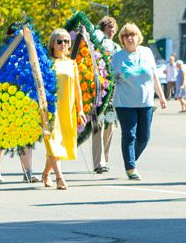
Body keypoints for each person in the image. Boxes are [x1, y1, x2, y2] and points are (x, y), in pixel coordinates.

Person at [0, 21, 39, 184]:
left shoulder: (28, 52)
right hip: (1, 98)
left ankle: (28, 172)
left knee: (25, 137)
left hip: (23, 99)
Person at [111, 23, 167, 181]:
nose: (130, 38)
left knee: (144, 137)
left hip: (146, 102)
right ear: (122, 39)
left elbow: (154, 75)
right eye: (126, 36)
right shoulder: (117, 58)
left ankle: (130, 159)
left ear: (138, 37)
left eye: (132, 35)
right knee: (129, 135)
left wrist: (161, 97)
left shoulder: (147, 52)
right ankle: (130, 167)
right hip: (124, 103)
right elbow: (111, 81)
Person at [41, 29, 84, 190]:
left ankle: (46, 173)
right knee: (52, 141)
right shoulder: (46, 62)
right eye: (59, 41)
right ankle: (60, 178)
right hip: (50, 109)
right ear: (52, 43)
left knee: (60, 142)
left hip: (67, 108)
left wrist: (80, 110)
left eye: (66, 41)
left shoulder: (71, 63)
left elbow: (77, 88)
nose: (63, 44)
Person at [90, 16, 119, 175]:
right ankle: (97, 162)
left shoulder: (116, 47)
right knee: (97, 127)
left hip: (112, 94)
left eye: (114, 28)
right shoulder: (95, 46)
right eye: (109, 28)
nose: (112, 31)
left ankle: (105, 160)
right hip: (97, 93)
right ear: (102, 30)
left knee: (109, 127)